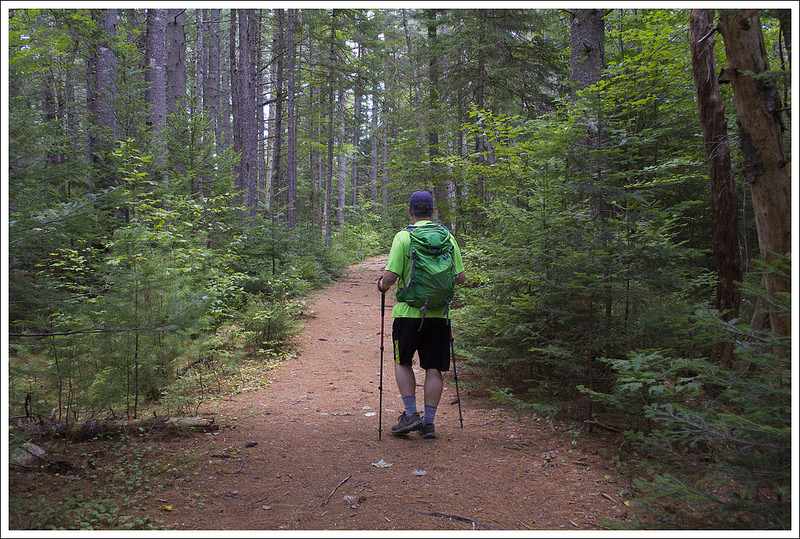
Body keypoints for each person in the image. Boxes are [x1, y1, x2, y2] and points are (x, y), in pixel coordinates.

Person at [376, 191, 467, 439]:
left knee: (403, 361)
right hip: (439, 315)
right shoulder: (447, 237)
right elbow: (460, 277)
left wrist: (381, 286)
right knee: (434, 367)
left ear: (410, 211)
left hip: (408, 313)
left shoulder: (404, 237)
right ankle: (428, 423)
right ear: (432, 211)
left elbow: (390, 276)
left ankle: (410, 414)